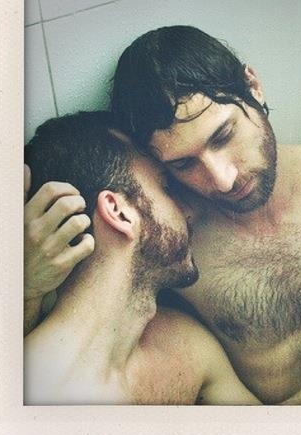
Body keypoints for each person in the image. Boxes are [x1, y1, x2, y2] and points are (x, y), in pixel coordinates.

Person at [24, 26, 301, 405]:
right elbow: (82, 335)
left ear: (253, 86)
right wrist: (26, 286)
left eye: (223, 135)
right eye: (183, 164)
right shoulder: (174, 239)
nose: (222, 179)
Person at [23, 110, 260, 405]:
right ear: (119, 212)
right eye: (166, 188)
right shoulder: (36, 391)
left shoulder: (186, 345)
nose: (190, 211)